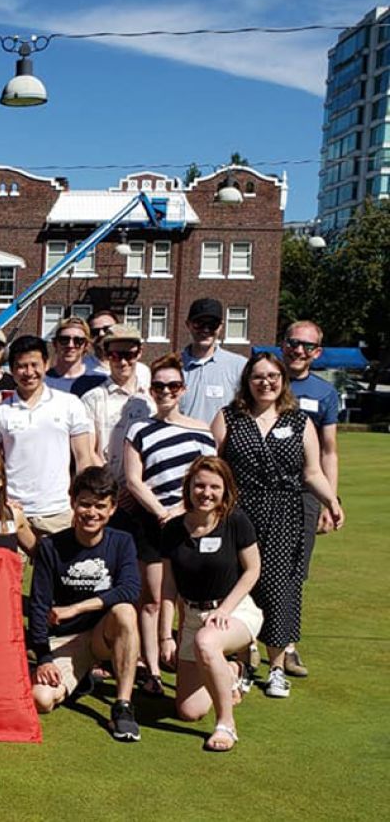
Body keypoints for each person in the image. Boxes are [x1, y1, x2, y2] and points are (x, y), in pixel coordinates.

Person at [211, 352, 344, 699]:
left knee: (281, 588)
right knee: (239, 586)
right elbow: (213, 467)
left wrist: (331, 501)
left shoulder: (300, 422)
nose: (265, 383)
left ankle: (277, 668)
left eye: (272, 376)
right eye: (258, 376)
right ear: (247, 382)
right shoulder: (229, 418)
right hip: (239, 513)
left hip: (286, 512)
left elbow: (312, 472)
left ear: (283, 381)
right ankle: (241, 664)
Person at [123, 353, 216, 696]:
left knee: (184, 599)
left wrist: (182, 508)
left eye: (172, 385)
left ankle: (188, 660)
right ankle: (152, 670)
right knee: (151, 599)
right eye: (159, 386)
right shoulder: (139, 429)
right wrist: (162, 511)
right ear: (151, 390)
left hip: (191, 522)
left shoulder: (202, 431)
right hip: (152, 523)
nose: (165, 391)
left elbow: (210, 480)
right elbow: (134, 479)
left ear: (182, 388)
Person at [28, 467, 142, 742]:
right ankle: (81, 680)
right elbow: (39, 606)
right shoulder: (51, 547)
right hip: (66, 639)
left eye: (101, 506)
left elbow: (130, 589)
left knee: (125, 611)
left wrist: (77, 608)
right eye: (85, 504)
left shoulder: (122, 541)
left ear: (112, 509)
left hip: (104, 634)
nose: (92, 513)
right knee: (41, 700)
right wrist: (43, 658)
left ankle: (123, 706)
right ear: (73, 503)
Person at [160, 457, 263, 751]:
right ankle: (232, 672)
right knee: (189, 711)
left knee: (207, 642)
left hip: (234, 610)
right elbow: (168, 587)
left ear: (225, 490)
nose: (206, 493)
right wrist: (167, 634)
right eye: (200, 485)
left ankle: (226, 725)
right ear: (189, 488)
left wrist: (224, 609)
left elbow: (253, 570)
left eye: (214, 487)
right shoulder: (173, 529)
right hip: (192, 617)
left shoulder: (235, 521)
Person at [0, 335, 95, 536]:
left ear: (46, 363)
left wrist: (79, 501)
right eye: (22, 366)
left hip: (58, 511)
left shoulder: (69, 404)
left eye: (35, 365)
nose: (29, 372)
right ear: (12, 369)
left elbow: (83, 458)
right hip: (12, 510)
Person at [280, 319, 341, 678]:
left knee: (293, 570)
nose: (298, 350)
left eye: (307, 346)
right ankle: (247, 645)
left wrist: (329, 500)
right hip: (260, 489)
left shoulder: (323, 393)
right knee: (249, 564)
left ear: (316, 352)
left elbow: (329, 451)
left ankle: (286, 644)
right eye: (292, 342)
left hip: (304, 492)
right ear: (283, 344)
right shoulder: (264, 380)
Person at [80, 324, 152, 480]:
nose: (123, 362)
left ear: (140, 353)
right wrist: (111, 486)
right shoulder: (92, 399)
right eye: (115, 355)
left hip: (147, 489)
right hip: (108, 490)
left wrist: (139, 487)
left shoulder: (153, 398)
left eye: (129, 355)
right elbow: (89, 451)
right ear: (106, 354)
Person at [178, 298, 246, 424]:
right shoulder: (173, 366)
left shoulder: (240, 366)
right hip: (180, 442)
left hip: (220, 443)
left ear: (221, 326)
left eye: (212, 324)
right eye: (199, 323)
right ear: (188, 325)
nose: (206, 329)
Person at [87, 310, 150, 390]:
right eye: (94, 331)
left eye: (107, 329)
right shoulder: (82, 370)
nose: (101, 334)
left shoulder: (142, 371)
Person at [44, 317, 105, 395]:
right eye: (64, 340)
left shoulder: (99, 381)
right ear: (55, 344)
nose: (70, 345)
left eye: (78, 341)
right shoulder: (42, 381)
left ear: (86, 345)